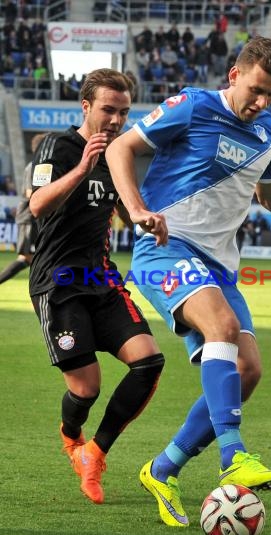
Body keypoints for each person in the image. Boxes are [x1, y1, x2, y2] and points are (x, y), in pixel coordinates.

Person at [105, 36, 271, 527]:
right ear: (234, 75)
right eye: (255, 89)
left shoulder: (269, 128)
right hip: (166, 248)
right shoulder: (192, 106)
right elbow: (122, 146)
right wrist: (137, 209)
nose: (261, 102)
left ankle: (162, 469)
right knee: (221, 328)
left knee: (248, 371)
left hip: (219, 267)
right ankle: (233, 457)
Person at [28, 68, 166, 505]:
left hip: (100, 277)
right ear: (86, 106)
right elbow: (37, 205)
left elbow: (121, 207)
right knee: (86, 388)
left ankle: (95, 453)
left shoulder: (116, 154)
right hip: (59, 281)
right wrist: (84, 165)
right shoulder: (59, 146)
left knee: (148, 362)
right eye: (108, 109)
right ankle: (72, 437)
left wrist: (142, 216)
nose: (116, 120)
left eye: (123, 112)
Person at [0, 134, 46, 285]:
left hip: (33, 218)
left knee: (34, 258)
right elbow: (30, 193)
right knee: (28, 258)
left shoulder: (40, 165)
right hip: (29, 218)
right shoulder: (34, 166)